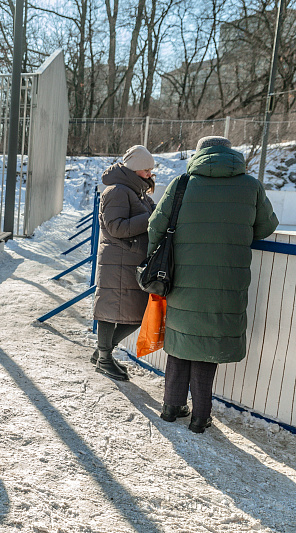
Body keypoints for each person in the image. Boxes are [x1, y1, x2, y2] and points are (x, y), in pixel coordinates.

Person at [149, 136, 278, 433]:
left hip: (183, 279)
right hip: (227, 282)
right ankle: (200, 417)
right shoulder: (251, 185)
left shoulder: (182, 184)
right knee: (208, 346)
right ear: (230, 154)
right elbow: (267, 226)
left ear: (199, 154)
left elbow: (155, 225)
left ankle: (170, 407)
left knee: (181, 341)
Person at [92, 145, 157, 382]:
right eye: (145, 170)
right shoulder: (117, 191)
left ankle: (102, 352)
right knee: (110, 311)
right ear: (133, 168)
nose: (149, 174)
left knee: (137, 314)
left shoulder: (137, 192)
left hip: (130, 261)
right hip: (117, 261)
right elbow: (116, 227)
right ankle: (104, 358)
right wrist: (151, 218)